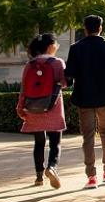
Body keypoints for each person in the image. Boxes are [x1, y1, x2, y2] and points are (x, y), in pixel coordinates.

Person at [64, 15, 105, 189]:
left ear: (85, 28)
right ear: (101, 28)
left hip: (83, 98)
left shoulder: (76, 48)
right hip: (104, 97)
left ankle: (91, 177)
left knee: (88, 136)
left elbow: (70, 75)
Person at [16, 32, 67, 189]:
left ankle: (38, 177)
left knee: (39, 143)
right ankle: (51, 168)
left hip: (33, 107)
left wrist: (20, 107)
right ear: (51, 47)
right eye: (56, 45)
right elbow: (64, 83)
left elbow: (24, 88)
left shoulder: (29, 65)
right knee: (55, 143)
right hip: (53, 106)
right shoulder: (57, 63)